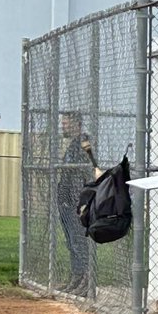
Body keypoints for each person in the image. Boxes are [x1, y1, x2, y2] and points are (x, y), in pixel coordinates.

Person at [55, 111, 94, 294]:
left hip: (78, 201)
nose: (63, 126)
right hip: (67, 201)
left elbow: (88, 169)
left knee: (79, 241)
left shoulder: (84, 141)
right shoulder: (72, 144)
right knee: (71, 242)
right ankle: (76, 277)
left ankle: (87, 280)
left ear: (76, 124)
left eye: (66, 123)